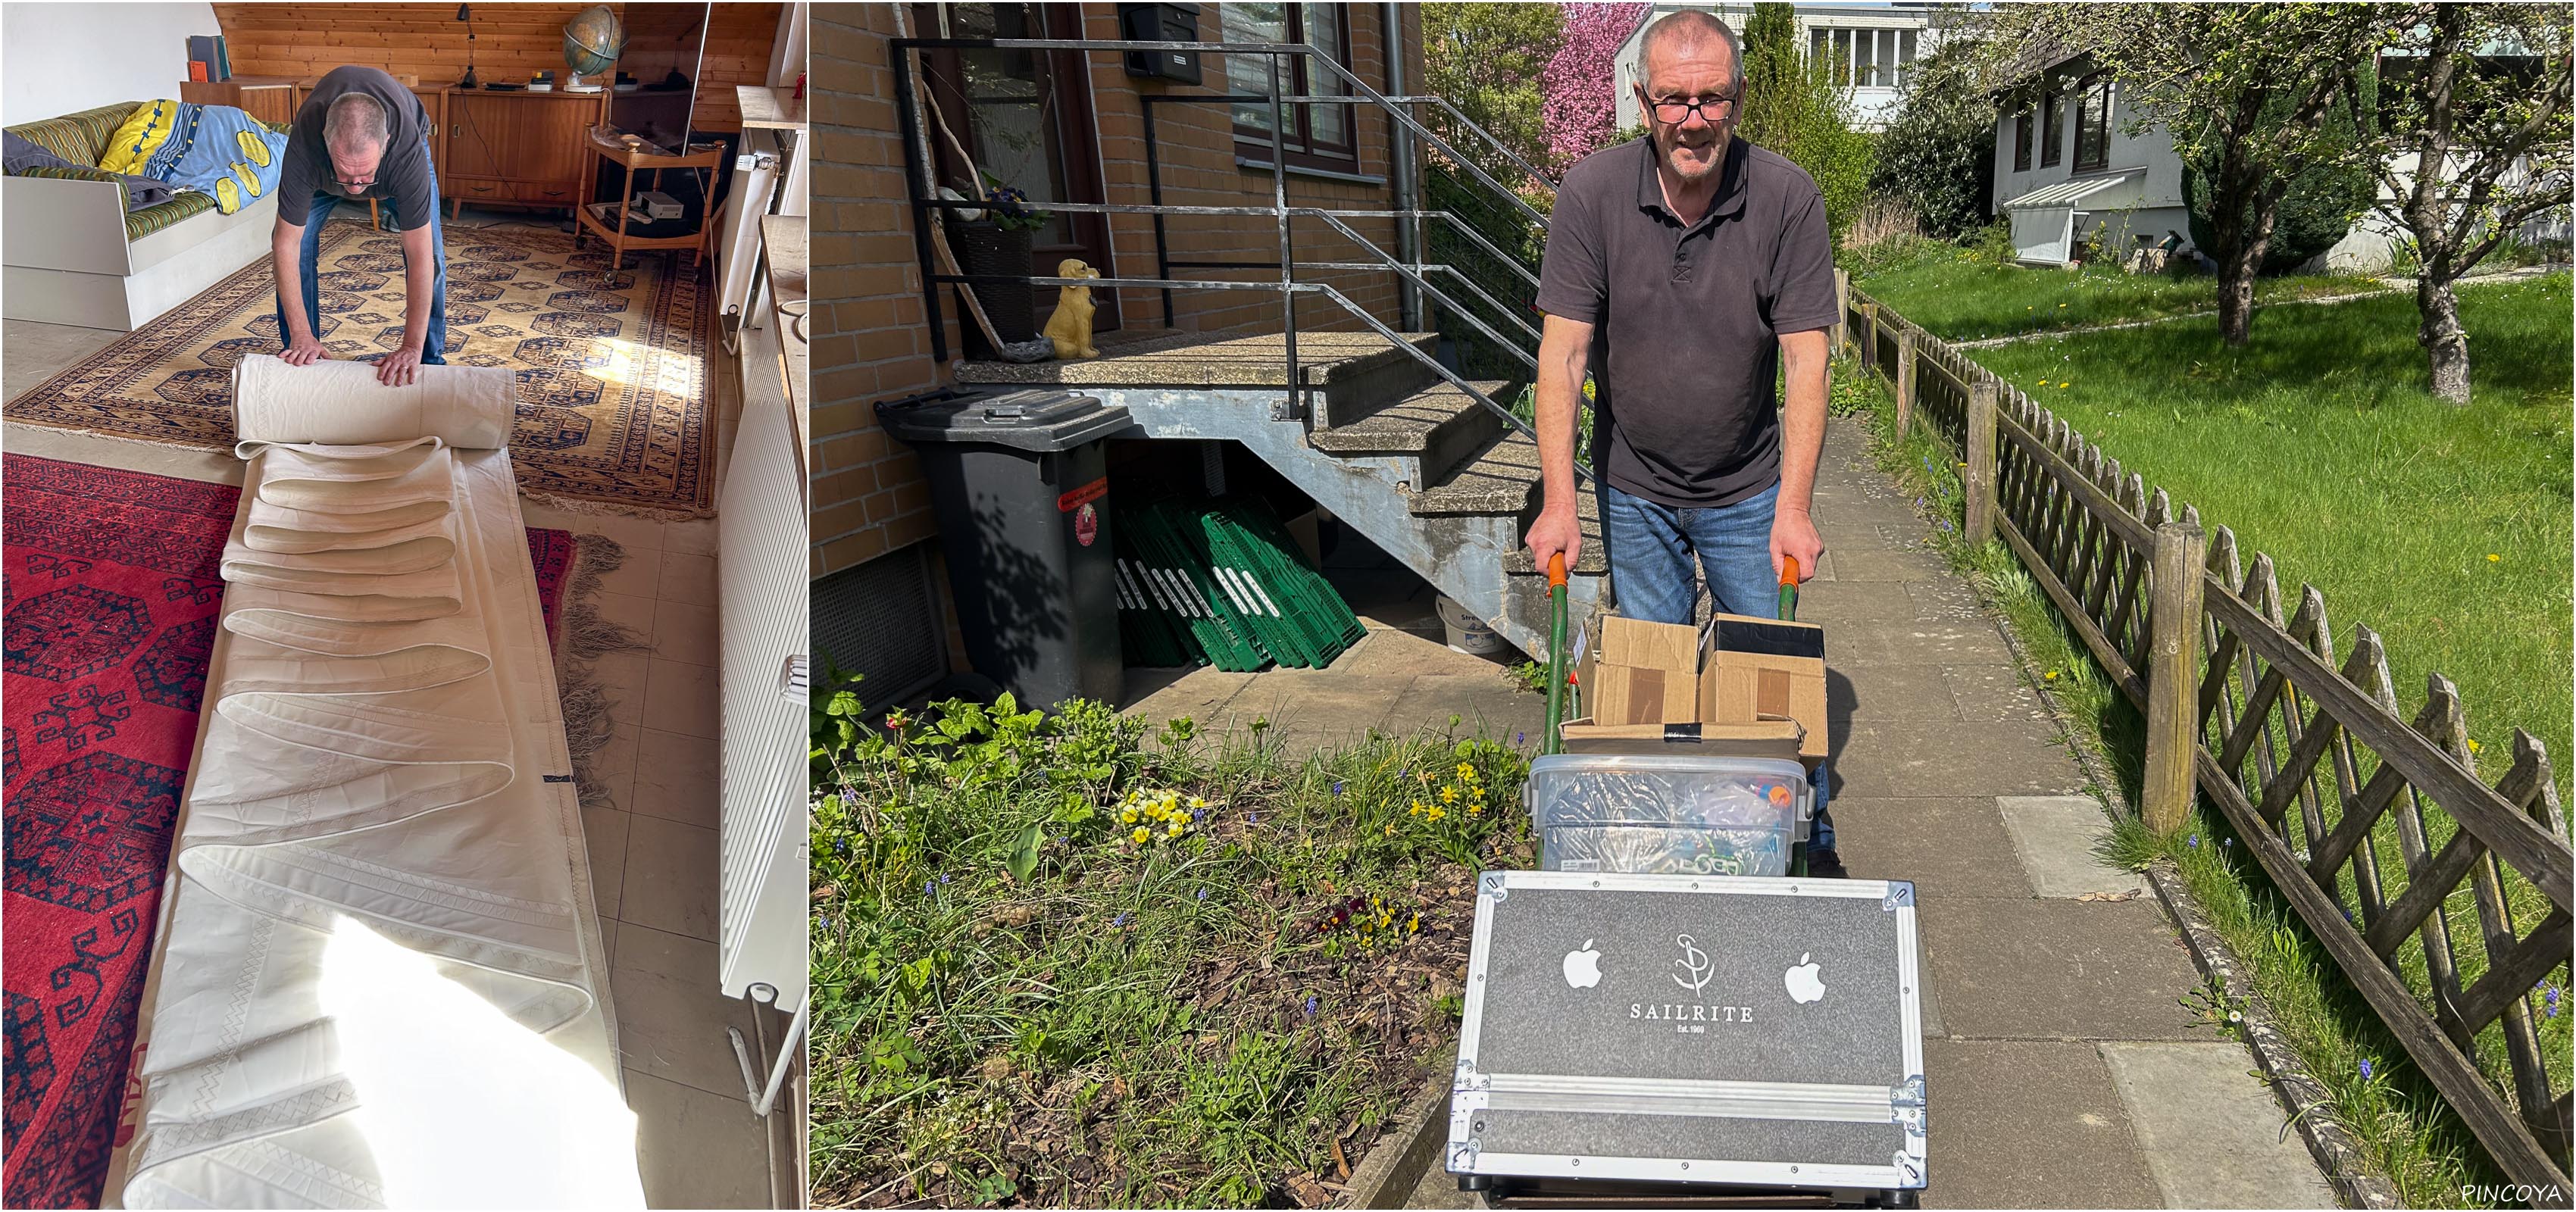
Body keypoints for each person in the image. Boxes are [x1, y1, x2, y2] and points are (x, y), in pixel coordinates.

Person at [1524, 9, 1844, 874]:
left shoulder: (1785, 198)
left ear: (1738, 99)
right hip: (1635, 487)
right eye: (1673, 99)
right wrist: (1560, 502)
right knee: (1653, 691)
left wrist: (1795, 507)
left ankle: (1784, 837)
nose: (1692, 117)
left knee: (1757, 683)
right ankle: (1665, 849)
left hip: (1747, 487)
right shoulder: (1592, 194)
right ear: (1642, 100)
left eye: (1711, 98)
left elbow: (1806, 364)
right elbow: (1563, 356)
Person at [271, 65, 445, 387]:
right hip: (321, 171)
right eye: (347, 175)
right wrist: (300, 333)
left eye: (365, 175)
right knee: (300, 248)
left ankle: (427, 358)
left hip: (402, 151)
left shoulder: (405, 153)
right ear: (326, 144)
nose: (355, 188)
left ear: (386, 143)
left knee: (432, 252)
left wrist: (410, 347)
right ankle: (301, 350)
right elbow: (285, 244)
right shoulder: (305, 147)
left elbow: (421, 255)